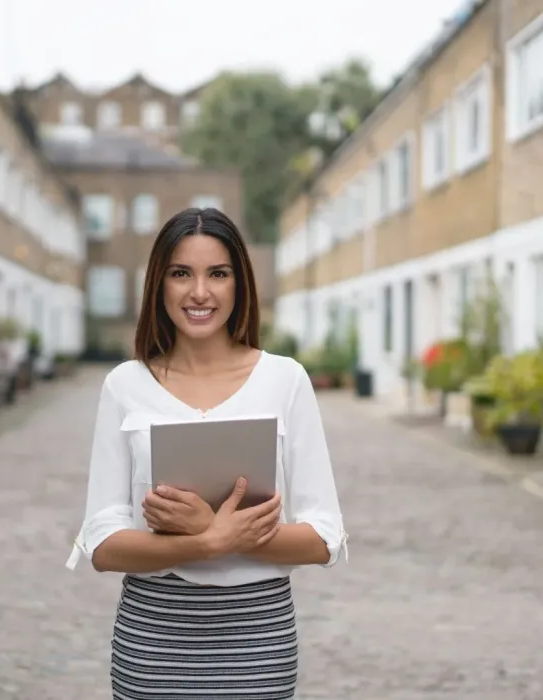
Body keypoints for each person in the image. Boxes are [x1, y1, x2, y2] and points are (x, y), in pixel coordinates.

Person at [66, 207, 347, 699]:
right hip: (154, 643)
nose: (200, 292)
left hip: (257, 644)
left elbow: (324, 540)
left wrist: (216, 531)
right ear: (159, 284)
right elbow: (103, 546)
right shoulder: (124, 386)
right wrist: (205, 542)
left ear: (240, 285)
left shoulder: (285, 381)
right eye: (181, 274)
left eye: (218, 273)